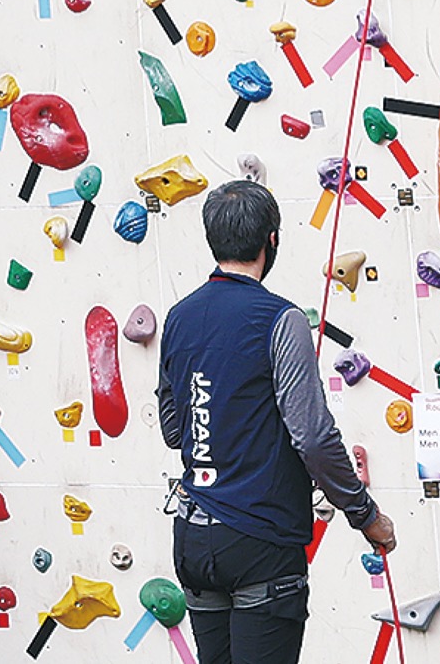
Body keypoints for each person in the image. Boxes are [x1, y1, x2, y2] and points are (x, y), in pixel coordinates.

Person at [157, 181, 395, 664]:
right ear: (271, 239)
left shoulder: (179, 318)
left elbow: (174, 429)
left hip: (193, 540)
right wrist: (365, 516)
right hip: (259, 542)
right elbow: (313, 435)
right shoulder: (279, 320)